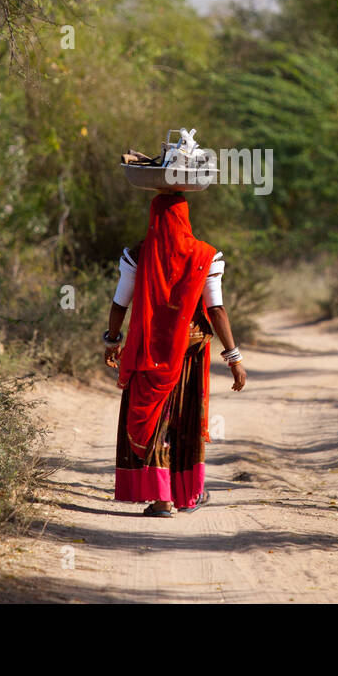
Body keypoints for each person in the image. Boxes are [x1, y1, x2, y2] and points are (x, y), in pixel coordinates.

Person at [103, 189, 247, 517]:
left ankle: (161, 497)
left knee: (153, 419)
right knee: (181, 421)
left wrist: (112, 341)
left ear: (154, 217)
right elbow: (217, 310)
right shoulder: (205, 256)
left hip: (148, 351)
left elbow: (119, 304)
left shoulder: (138, 255)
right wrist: (234, 357)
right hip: (189, 354)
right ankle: (182, 493)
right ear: (186, 217)